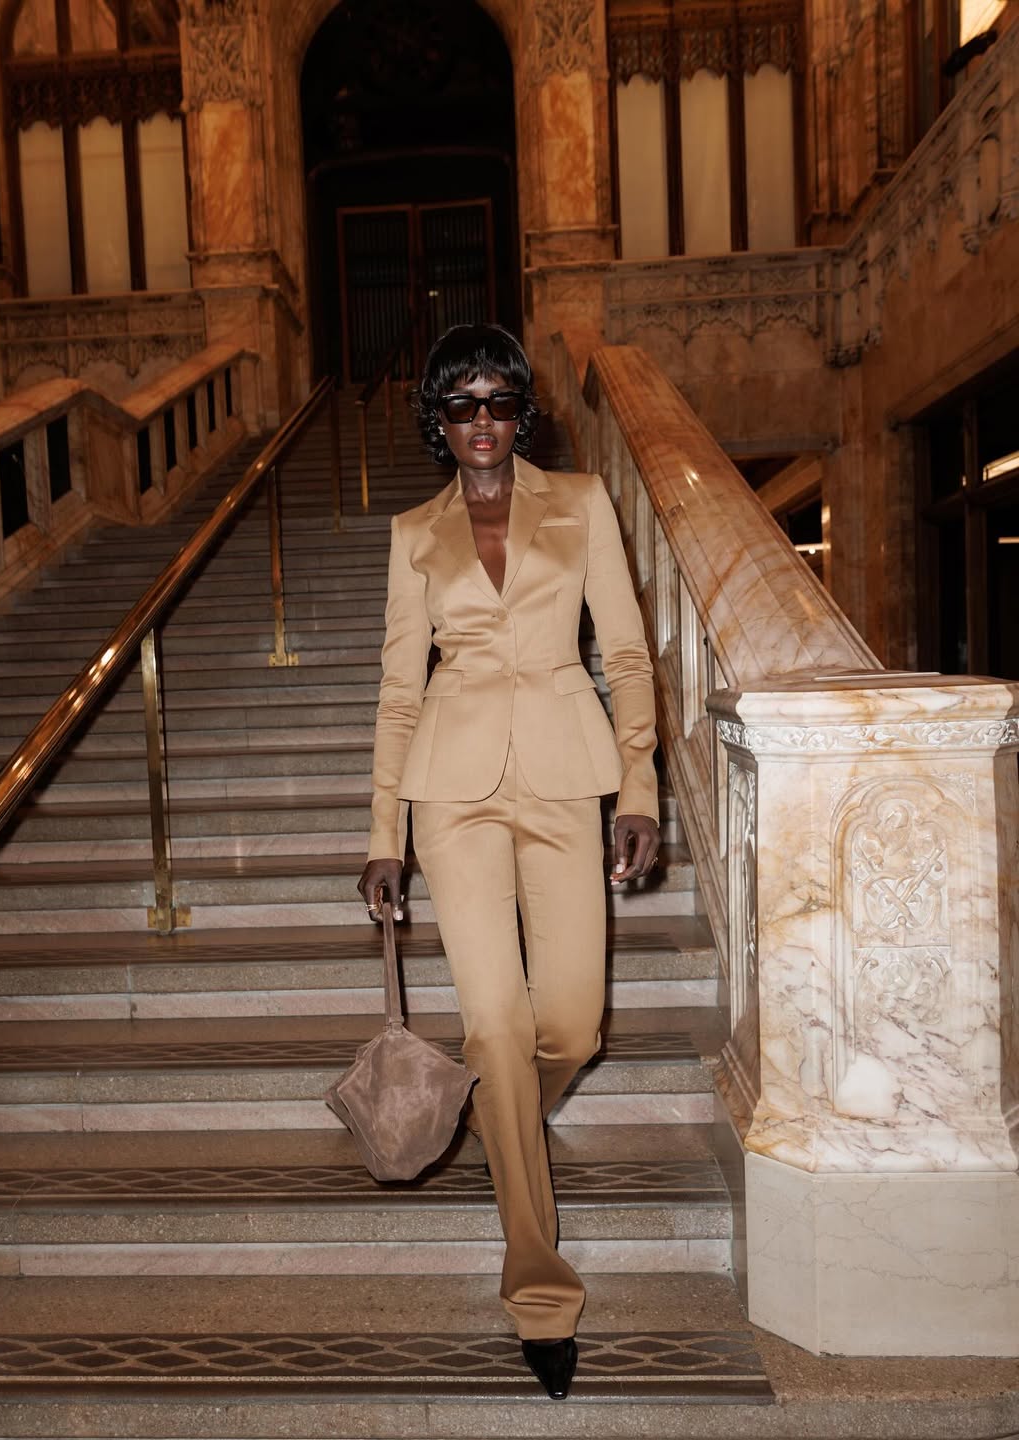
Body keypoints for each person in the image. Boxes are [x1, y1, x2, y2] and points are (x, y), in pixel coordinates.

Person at [358, 323, 660, 1400]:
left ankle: (502, 1119)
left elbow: (623, 652)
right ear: (437, 422)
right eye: (460, 406)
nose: (481, 422)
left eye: (497, 402)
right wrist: (382, 836)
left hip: (567, 777)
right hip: (451, 795)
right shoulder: (412, 534)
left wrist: (639, 789)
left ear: (522, 412)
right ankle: (540, 1293)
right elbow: (401, 691)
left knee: (572, 1023)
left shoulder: (578, 502)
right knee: (496, 1023)